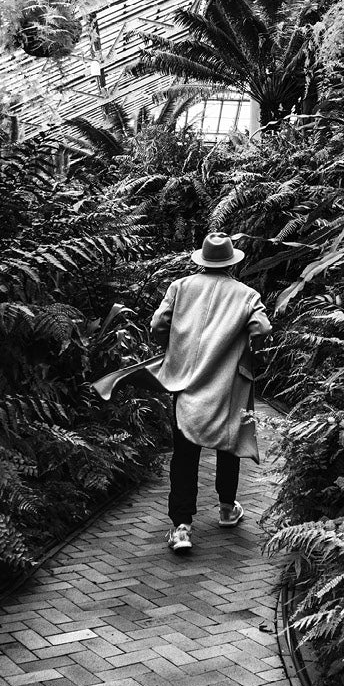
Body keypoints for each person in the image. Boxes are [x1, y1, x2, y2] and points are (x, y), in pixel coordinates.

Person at [94, 232, 271, 555]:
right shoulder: (246, 294)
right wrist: (240, 347)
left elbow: (158, 325)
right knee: (228, 444)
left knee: (184, 454)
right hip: (225, 384)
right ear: (232, 262)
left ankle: (181, 528)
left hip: (186, 381)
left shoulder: (180, 287)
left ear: (202, 260)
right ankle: (227, 509)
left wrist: (176, 349)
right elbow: (262, 329)